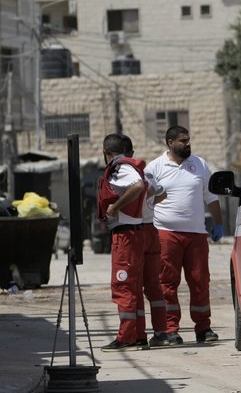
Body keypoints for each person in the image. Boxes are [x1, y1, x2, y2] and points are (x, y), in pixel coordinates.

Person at [145, 125, 223, 346]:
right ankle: (170, 330)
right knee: (166, 283)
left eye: (189, 140)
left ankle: (204, 328)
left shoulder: (199, 164)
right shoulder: (155, 168)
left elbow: (211, 197)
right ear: (170, 142)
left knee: (200, 281)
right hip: (165, 233)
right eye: (183, 141)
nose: (188, 144)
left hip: (196, 234)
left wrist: (219, 223)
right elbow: (146, 199)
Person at [97, 133, 149, 352]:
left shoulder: (120, 166)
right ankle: (137, 335)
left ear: (105, 152)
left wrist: (115, 207)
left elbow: (138, 186)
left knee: (123, 286)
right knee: (133, 287)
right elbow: (153, 189)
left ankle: (126, 336)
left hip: (126, 236)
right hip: (133, 233)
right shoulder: (129, 166)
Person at [120, 135, 168, 345]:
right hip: (151, 230)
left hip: (136, 231)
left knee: (135, 286)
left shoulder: (123, 172)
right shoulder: (146, 171)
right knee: (154, 286)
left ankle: (139, 336)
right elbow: (162, 194)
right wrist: (148, 203)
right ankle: (162, 333)